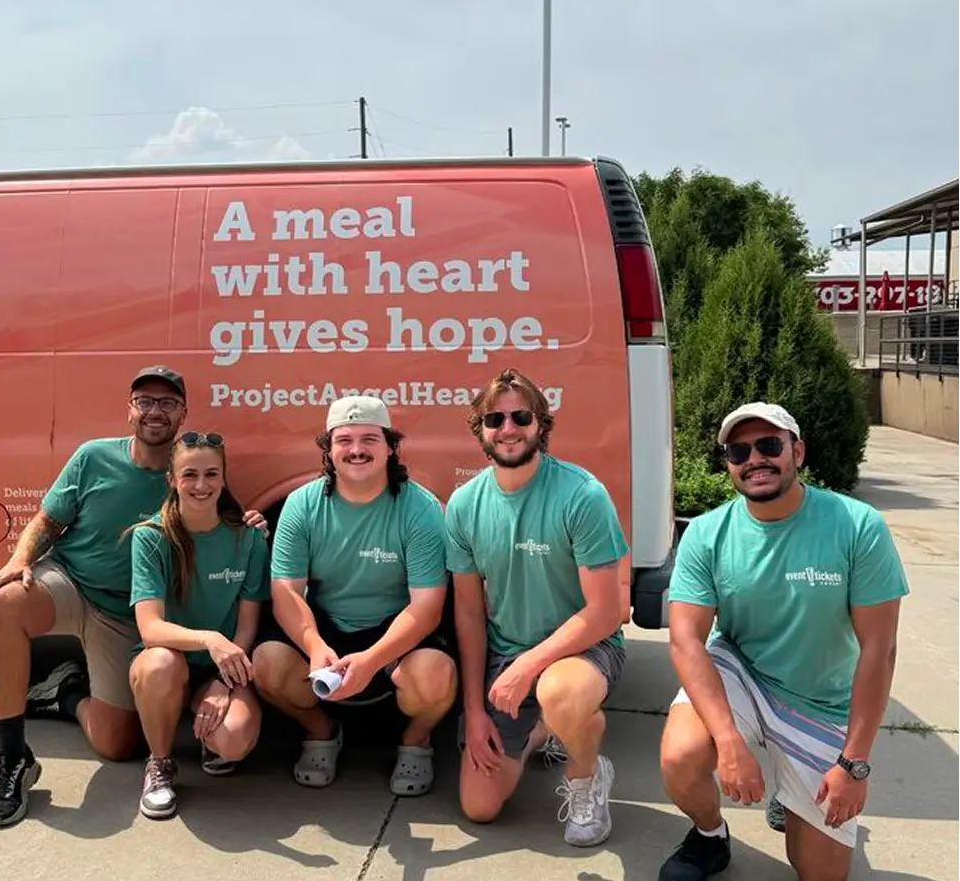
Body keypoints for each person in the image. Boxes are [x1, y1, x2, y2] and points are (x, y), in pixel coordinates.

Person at [0, 367, 265, 828]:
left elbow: (223, 516)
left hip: (127, 614)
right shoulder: (92, 456)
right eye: (144, 401)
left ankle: (67, 692)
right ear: (129, 409)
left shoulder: (190, 466)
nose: (155, 411)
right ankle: (12, 759)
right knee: (5, 601)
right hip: (72, 582)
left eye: (167, 403)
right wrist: (19, 560)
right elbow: (48, 521)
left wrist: (251, 522)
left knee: (117, 745)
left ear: (183, 413)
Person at [657, 402, 909, 881]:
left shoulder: (858, 527)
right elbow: (686, 639)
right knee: (681, 755)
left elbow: (880, 649)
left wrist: (854, 763)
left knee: (821, 874)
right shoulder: (707, 533)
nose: (755, 459)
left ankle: (791, 792)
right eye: (739, 451)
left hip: (820, 698)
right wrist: (729, 741)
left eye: (769, 445)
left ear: (798, 452)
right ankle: (709, 836)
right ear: (729, 465)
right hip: (741, 670)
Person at [445, 367, 629, 847]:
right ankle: (541, 732)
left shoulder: (581, 495)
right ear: (480, 430)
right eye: (495, 419)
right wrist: (474, 710)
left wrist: (527, 666)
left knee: (560, 694)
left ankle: (587, 775)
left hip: (584, 649)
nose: (508, 429)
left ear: (541, 424)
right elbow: (468, 615)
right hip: (507, 654)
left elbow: (605, 612)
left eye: (521, 417)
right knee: (480, 806)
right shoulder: (463, 505)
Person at [251, 395, 457, 796]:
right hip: (327, 625)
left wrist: (372, 660)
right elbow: (286, 591)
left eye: (369, 439)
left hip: (395, 629)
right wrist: (313, 646)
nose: (356, 450)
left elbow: (427, 607)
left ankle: (417, 740)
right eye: (344, 440)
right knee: (268, 665)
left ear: (390, 447)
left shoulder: (420, 508)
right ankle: (321, 732)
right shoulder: (302, 505)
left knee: (437, 676)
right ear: (328, 450)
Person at [128, 431, 270, 820]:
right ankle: (159, 763)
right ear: (172, 480)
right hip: (168, 662)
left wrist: (224, 682)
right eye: (189, 474)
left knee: (234, 740)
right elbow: (150, 629)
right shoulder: (151, 537)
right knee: (159, 664)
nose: (201, 485)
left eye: (211, 474)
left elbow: (247, 625)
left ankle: (209, 730)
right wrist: (209, 639)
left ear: (224, 478)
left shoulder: (248, 538)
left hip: (222, 668)